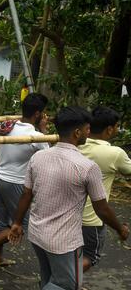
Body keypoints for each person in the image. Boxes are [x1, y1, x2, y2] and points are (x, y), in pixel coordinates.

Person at [9, 106, 129, 290]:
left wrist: (17, 223)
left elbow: (27, 193)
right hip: (63, 241)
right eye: (88, 129)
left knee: (49, 277)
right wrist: (120, 229)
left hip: (37, 232)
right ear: (77, 132)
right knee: (68, 285)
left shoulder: (39, 157)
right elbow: (101, 209)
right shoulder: (87, 167)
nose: (90, 133)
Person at [0, 93, 49, 267]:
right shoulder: (37, 136)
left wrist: (1, 148)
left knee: (2, 222)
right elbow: (49, 156)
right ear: (38, 114)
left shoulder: (8, 125)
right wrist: (44, 130)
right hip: (14, 183)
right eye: (44, 113)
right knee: (22, 224)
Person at [80, 106, 131, 272]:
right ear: (109, 129)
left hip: (68, 214)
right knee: (90, 257)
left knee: (72, 253)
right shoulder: (115, 153)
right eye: (116, 127)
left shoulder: (75, 144)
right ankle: (61, 280)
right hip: (92, 218)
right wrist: (120, 229)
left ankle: (68, 281)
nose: (117, 130)